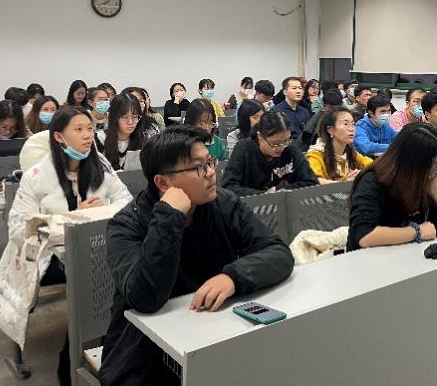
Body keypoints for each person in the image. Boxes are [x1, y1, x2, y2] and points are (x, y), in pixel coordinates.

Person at [99, 126, 294, 386]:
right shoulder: (126, 226)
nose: (211, 172)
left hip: (212, 334)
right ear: (162, 183)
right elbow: (146, 298)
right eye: (199, 167)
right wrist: (169, 216)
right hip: (145, 353)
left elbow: (278, 252)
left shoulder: (223, 203)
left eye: (210, 162)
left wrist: (233, 277)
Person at [7, 106, 132, 386]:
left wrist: (99, 212)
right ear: (59, 137)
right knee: (95, 278)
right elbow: (18, 229)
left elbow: (126, 201)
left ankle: (105, 347)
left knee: (118, 272)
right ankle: (72, 362)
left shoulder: (100, 164)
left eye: (90, 129)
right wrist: (74, 218)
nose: (88, 135)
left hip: (96, 249)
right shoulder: (37, 175)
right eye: (79, 129)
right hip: (49, 257)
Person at [347, 123, 437, 251]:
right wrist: (417, 232)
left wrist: (434, 189)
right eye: (435, 163)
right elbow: (365, 235)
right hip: (372, 258)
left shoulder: (426, 179)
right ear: (414, 163)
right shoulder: (373, 181)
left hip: (410, 255)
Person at [222, 111, 319, 196]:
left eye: (286, 141)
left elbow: (311, 182)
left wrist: (280, 191)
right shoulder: (244, 149)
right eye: (275, 143)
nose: (281, 148)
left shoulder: (289, 148)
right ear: (260, 136)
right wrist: (264, 195)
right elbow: (228, 187)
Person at [306, 106, 372, 184]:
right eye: (345, 124)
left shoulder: (351, 153)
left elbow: (373, 166)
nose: (351, 129)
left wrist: (362, 174)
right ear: (330, 130)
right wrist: (345, 184)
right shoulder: (315, 155)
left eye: (353, 124)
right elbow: (314, 181)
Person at [97, 94, 150, 170]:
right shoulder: (99, 139)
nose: (130, 122)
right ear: (114, 117)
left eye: (135, 117)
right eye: (125, 117)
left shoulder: (144, 140)